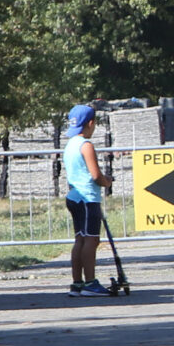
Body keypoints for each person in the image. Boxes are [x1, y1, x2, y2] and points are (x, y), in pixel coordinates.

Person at [64, 104, 114, 296]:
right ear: (91, 123)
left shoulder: (70, 144)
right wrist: (107, 182)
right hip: (87, 198)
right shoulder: (86, 145)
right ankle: (90, 283)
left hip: (74, 196)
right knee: (91, 240)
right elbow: (96, 176)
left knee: (80, 239)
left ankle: (77, 283)